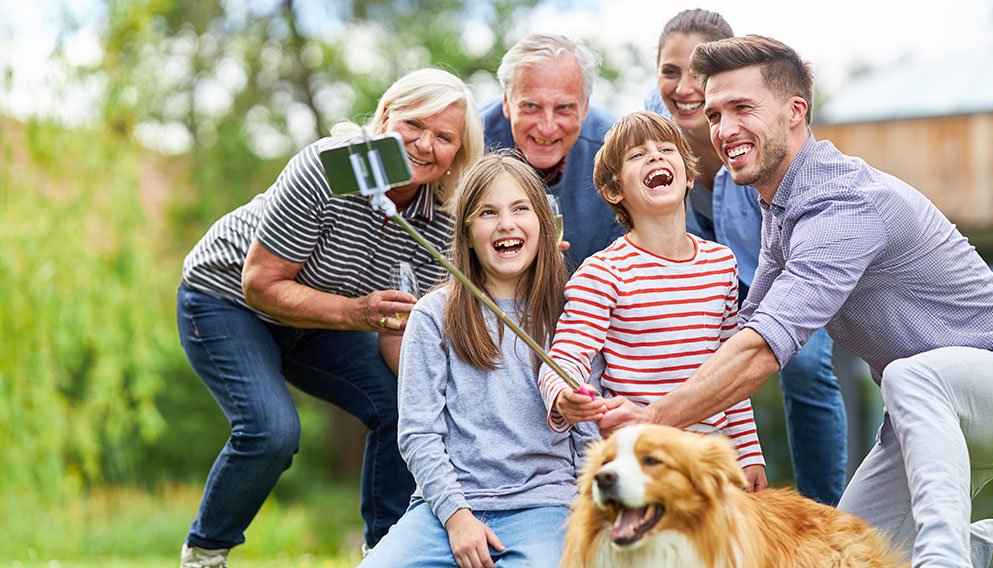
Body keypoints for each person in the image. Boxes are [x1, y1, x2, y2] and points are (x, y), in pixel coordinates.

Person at [600, 36, 993, 568]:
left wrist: (652, 419)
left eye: (742, 108)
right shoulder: (781, 211)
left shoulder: (842, 205)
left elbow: (760, 352)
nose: (724, 130)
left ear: (795, 111)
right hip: (926, 416)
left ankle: (945, 561)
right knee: (842, 555)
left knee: (910, 377)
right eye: (714, 114)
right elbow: (739, 339)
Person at [176, 68, 483, 567]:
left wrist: (441, 394)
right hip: (227, 300)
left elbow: (396, 337)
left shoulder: (442, 215)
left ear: (457, 152)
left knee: (399, 407)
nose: (425, 144)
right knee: (271, 430)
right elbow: (261, 284)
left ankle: (385, 553)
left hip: (321, 318)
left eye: (444, 137)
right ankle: (206, 551)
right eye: (413, 125)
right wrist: (359, 312)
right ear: (384, 118)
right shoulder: (328, 168)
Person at [644, 8, 846, 505]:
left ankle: (826, 509)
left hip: (777, 268)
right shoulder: (652, 121)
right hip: (699, 266)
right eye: (670, 72)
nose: (684, 87)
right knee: (686, 356)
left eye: (697, 74)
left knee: (802, 366)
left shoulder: (768, 135)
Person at [359, 153, 597, 568]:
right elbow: (418, 432)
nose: (506, 223)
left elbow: (588, 434)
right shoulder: (433, 314)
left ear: (544, 225)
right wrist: (456, 518)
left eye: (520, 208)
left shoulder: (573, 311)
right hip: (444, 509)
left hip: (545, 507)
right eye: (488, 212)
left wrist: (585, 513)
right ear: (467, 233)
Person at [539, 111, 767, 489]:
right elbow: (564, 359)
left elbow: (730, 371)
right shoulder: (603, 272)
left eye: (666, 149)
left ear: (689, 175)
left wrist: (747, 452)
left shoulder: (721, 263)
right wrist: (564, 394)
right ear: (614, 191)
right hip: (642, 463)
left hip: (711, 462)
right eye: (637, 155)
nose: (656, 157)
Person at [479, 33, 623, 269]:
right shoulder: (467, 141)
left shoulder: (618, 153)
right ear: (507, 102)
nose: (547, 127)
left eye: (563, 107)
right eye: (531, 106)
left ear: (585, 108)